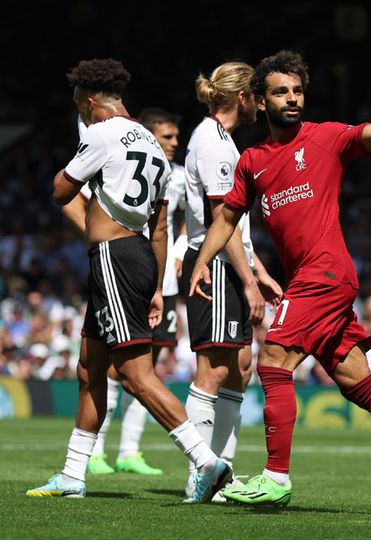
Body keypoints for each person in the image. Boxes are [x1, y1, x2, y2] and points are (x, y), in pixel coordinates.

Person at [188, 50, 371, 511]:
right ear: (260, 101)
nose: (293, 98)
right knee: (356, 381)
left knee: (274, 359)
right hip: (308, 277)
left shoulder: (326, 137)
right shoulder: (251, 161)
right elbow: (226, 218)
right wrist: (203, 260)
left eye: (298, 90)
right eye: (281, 92)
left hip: (326, 274)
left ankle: (275, 477)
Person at [25, 58, 230, 502]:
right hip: (136, 257)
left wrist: (65, 171)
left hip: (113, 258)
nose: (82, 115)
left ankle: (205, 460)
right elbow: (159, 228)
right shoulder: (154, 147)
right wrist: (155, 286)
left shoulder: (100, 134)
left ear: (93, 102)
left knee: (135, 375)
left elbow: (62, 192)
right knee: (89, 368)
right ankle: (73, 475)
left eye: (82, 108)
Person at [62, 108, 185, 477]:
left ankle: (130, 451)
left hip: (157, 282)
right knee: (117, 371)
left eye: (176, 137)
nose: (174, 144)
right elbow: (71, 197)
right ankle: (90, 458)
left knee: (141, 369)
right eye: (167, 137)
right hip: (131, 269)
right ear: (148, 135)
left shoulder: (173, 174)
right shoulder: (117, 155)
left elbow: (174, 226)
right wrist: (98, 230)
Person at [182, 61, 282, 499]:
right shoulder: (214, 144)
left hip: (233, 260)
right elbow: (222, 222)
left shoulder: (224, 141)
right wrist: (248, 281)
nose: (263, 104)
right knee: (214, 368)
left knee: (239, 369)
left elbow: (237, 223)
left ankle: (224, 471)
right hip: (216, 263)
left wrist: (259, 269)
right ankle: (200, 475)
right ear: (242, 97)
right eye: (258, 95)